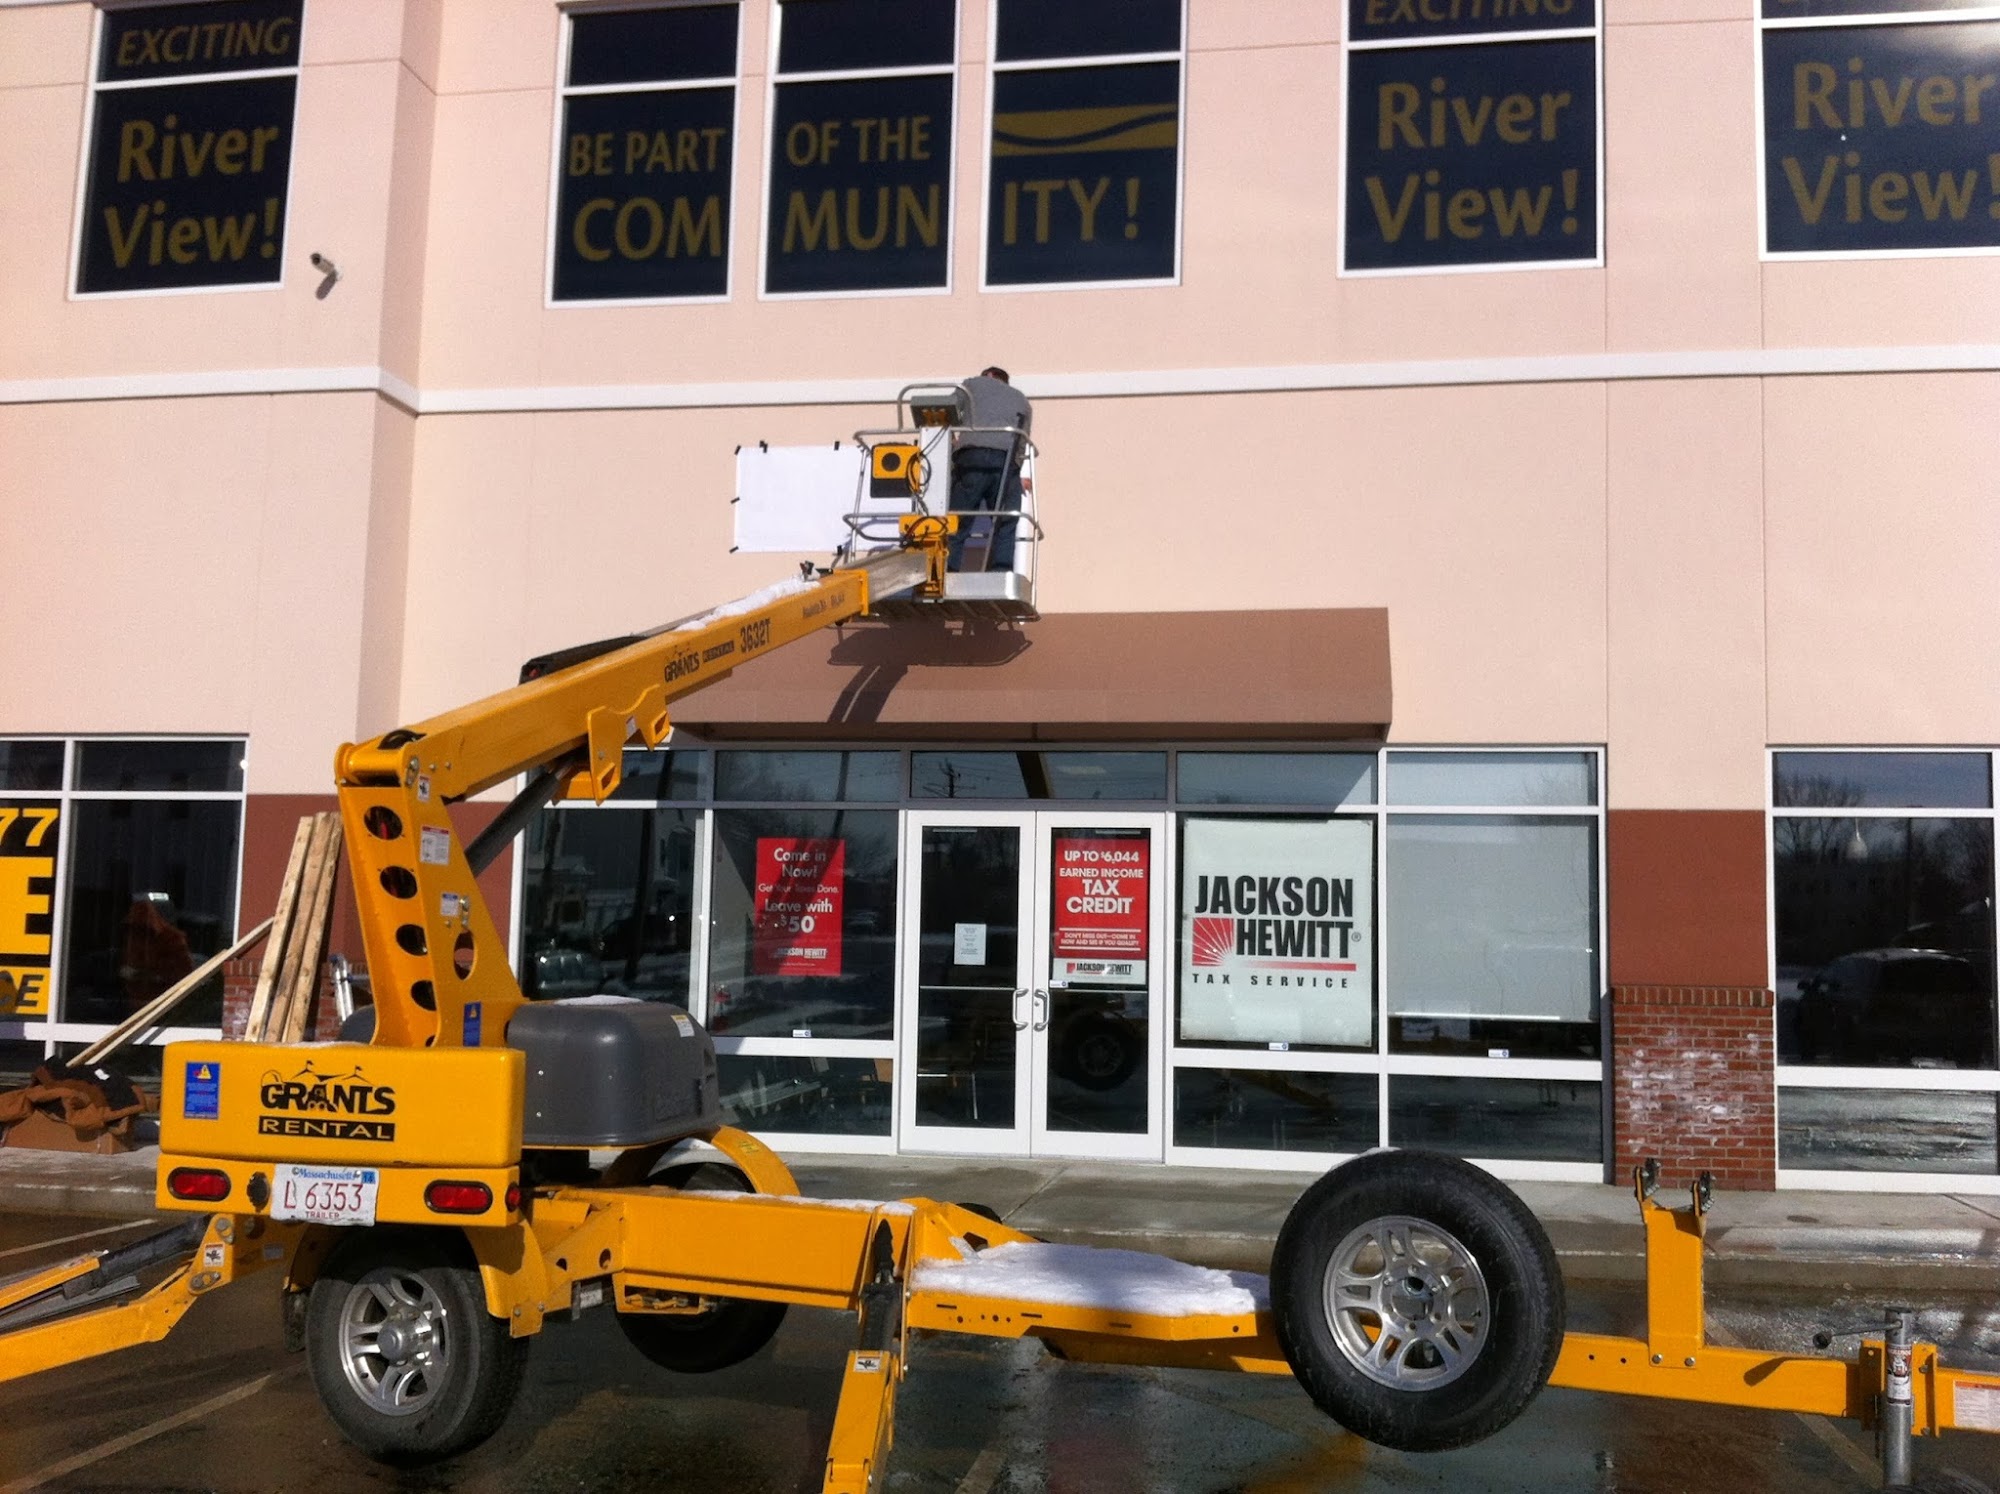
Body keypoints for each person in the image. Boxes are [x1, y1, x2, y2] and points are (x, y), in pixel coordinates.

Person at [948, 366, 1031, 572]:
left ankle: (948, 568)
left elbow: (945, 410)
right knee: (1006, 522)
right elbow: (1022, 443)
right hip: (1006, 461)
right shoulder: (1021, 399)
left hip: (972, 456)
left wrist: (952, 442)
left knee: (957, 520)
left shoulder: (971, 384)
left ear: (990, 375)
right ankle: (1001, 571)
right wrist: (1015, 472)